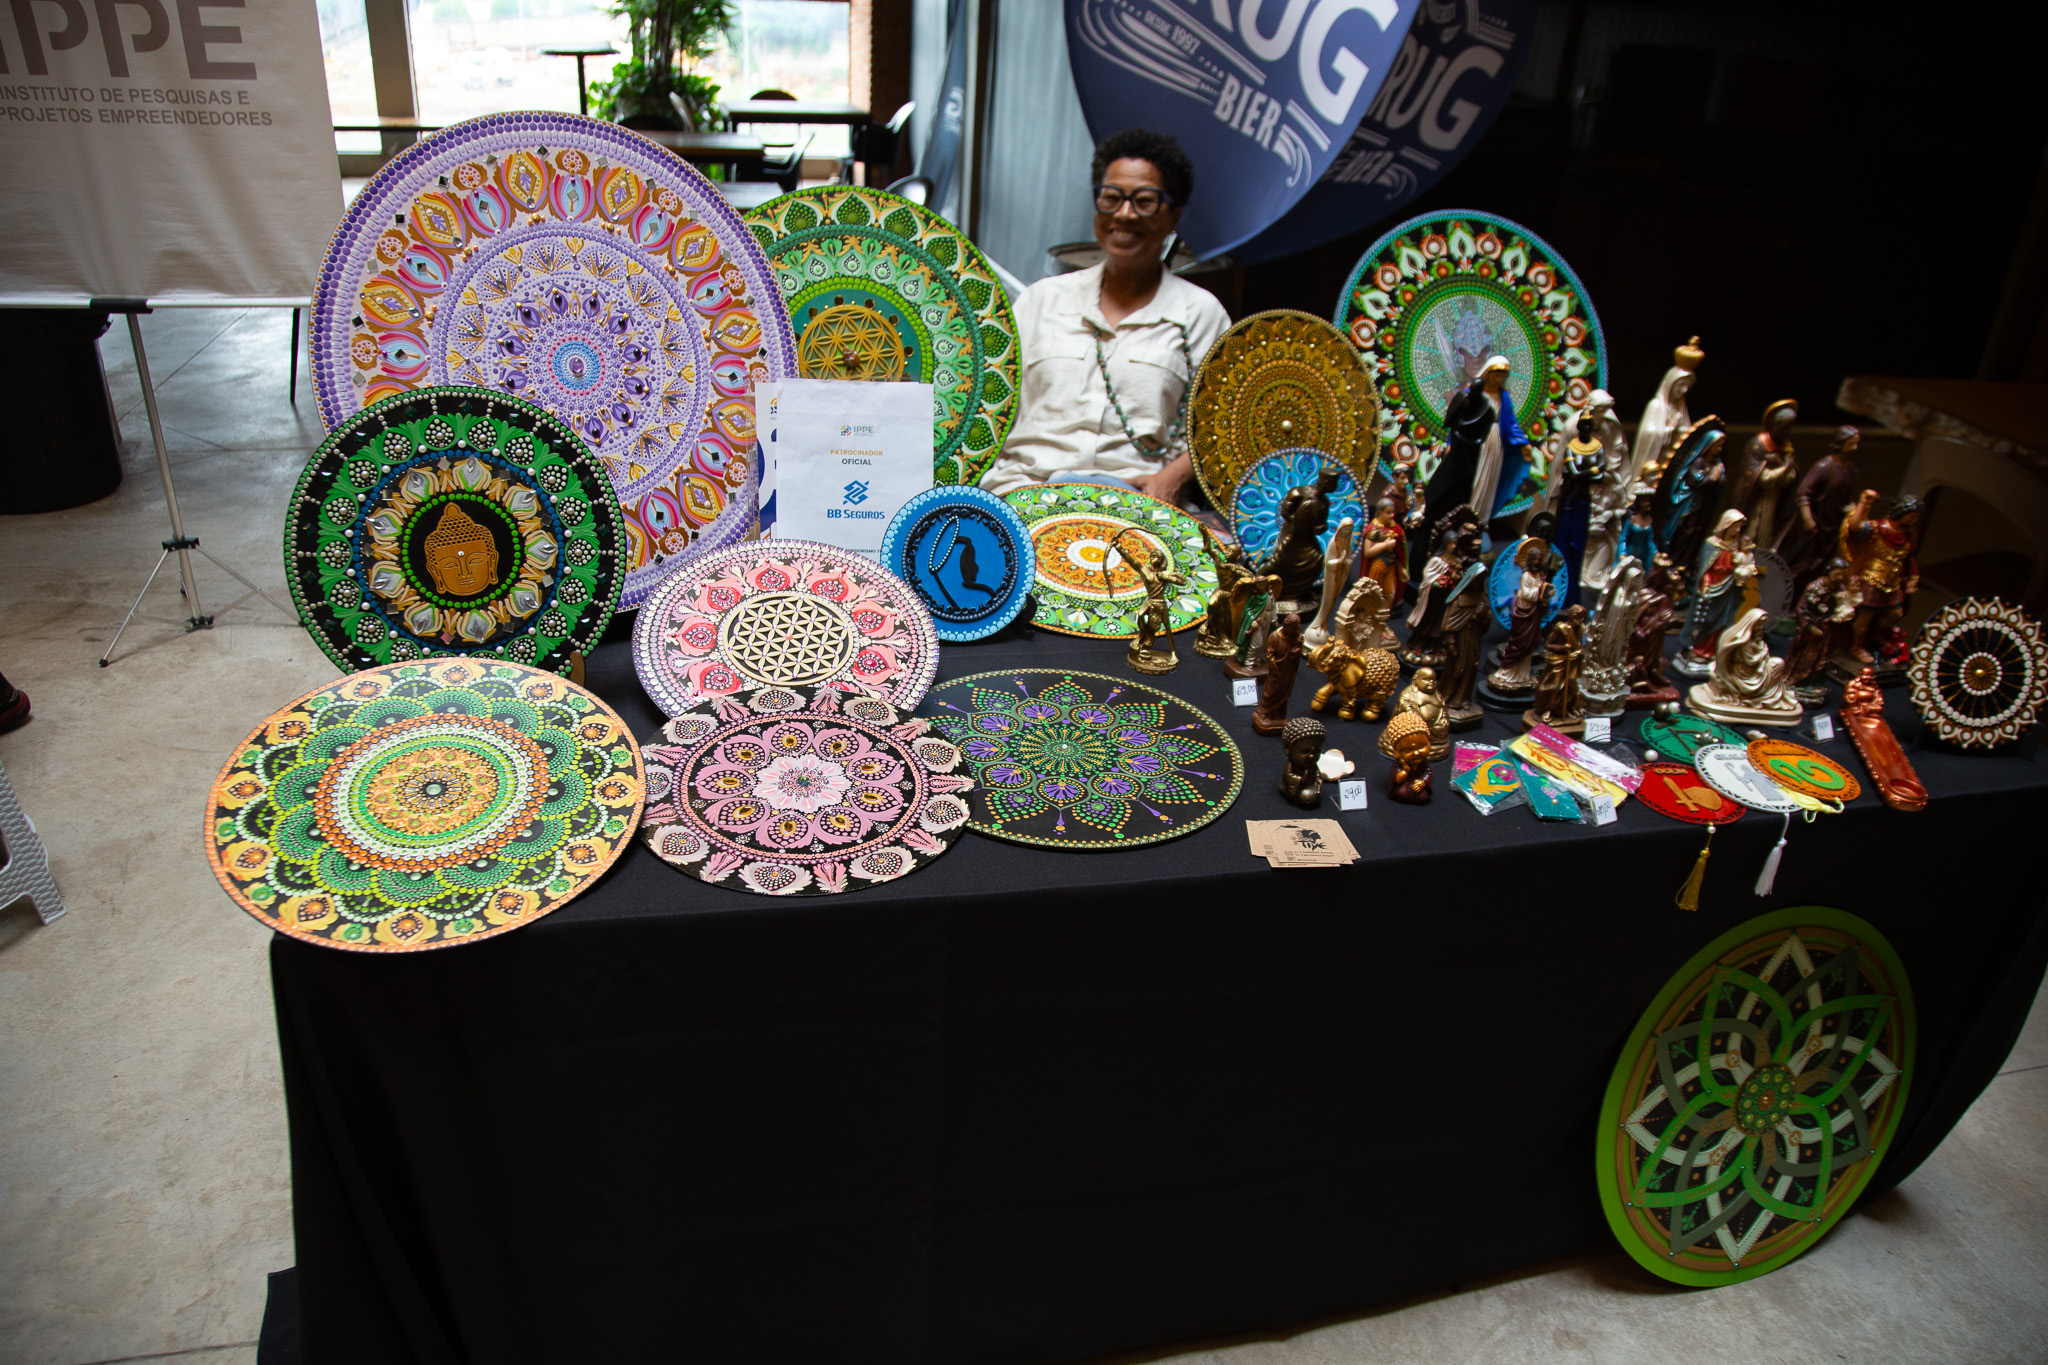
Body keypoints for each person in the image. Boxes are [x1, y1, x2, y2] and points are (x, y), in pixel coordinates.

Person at [980, 129, 1230, 502]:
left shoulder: (1201, 314)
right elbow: (985, 404)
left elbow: (1219, 427)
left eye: (1144, 202)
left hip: (1132, 504)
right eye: (1111, 198)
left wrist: (1172, 480)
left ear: (1173, 216)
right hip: (1023, 493)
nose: (1125, 214)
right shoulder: (1039, 300)